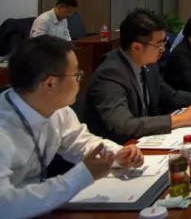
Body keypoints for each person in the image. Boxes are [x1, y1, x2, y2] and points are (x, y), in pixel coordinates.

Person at [0, 36, 143, 217]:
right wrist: (82, 175)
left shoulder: (57, 110)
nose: (80, 79)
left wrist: (117, 154)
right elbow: (4, 205)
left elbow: (82, 142)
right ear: (50, 83)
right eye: (76, 74)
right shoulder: (4, 129)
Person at [84, 8, 191, 144]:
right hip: (118, 151)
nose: (163, 49)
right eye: (158, 44)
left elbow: (169, 96)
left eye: (164, 43)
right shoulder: (110, 75)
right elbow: (124, 126)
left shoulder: (149, 65)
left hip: (144, 141)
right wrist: (180, 119)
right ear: (137, 47)